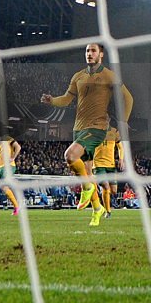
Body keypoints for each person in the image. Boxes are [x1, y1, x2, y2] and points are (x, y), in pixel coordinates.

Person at [41, 43, 133, 227]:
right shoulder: (78, 76)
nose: (89, 54)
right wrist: (52, 101)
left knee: (69, 156)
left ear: (101, 55)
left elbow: (128, 98)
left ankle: (86, 188)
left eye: (93, 51)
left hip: (97, 127)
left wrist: (123, 122)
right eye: (87, 51)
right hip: (79, 128)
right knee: (87, 173)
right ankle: (97, 210)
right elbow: (66, 99)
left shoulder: (109, 75)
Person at [91, 126, 124, 218]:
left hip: (111, 165)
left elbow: (121, 147)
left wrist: (121, 159)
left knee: (114, 191)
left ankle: (99, 190)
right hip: (98, 165)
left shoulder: (114, 131)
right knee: (106, 186)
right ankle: (108, 211)